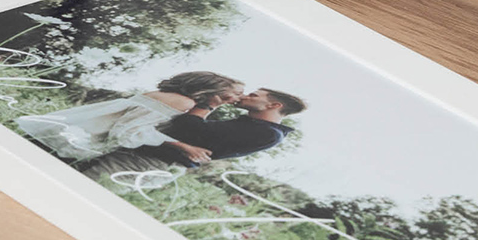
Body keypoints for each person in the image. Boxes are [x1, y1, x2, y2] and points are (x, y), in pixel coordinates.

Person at [16, 71, 243, 164]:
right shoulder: (184, 103)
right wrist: (183, 146)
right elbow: (130, 131)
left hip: (68, 127)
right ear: (213, 87)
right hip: (76, 138)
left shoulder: (165, 94)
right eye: (236, 93)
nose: (237, 99)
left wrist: (211, 106)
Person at [140, 87, 307, 165]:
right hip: (146, 152)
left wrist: (210, 104)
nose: (244, 96)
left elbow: (189, 127)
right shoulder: (254, 125)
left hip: (149, 161)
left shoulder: (267, 133)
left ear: (273, 105)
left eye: (253, 95)